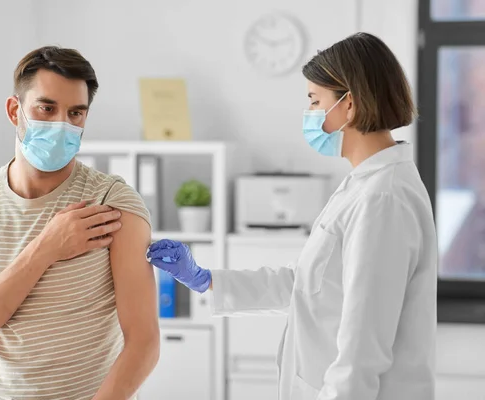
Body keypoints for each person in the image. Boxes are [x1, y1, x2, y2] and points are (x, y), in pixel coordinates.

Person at [148, 32, 438, 400]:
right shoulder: (364, 185)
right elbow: (307, 285)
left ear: (350, 104)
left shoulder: (382, 198)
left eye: (316, 101)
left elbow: (362, 353)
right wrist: (207, 280)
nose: (310, 114)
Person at [0, 46, 159, 400]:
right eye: (47, 108)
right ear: (15, 110)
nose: (62, 125)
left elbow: (144, 342)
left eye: (75, 113)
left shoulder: (111, 204)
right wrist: (45, 248)